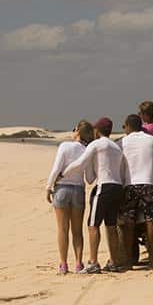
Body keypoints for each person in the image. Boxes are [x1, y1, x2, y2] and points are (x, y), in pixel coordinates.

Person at [60, 117, 127, 274]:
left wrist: (62, 174)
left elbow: (80, 164)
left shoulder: (97, 144)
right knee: (111, 226)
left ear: (97, 130)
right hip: (117, 187)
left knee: (93, 225)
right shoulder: (117, 148)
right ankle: (113, 261)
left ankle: (93, 262)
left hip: (103, 186)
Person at [119, 114, 153, 269]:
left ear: (128, 126)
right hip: (148, 183)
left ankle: (128, 261)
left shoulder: (122, 142)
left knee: (129, 223)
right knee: (150, 221)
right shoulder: (152, 140)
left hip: (129, 185)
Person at [46, 120, 95, 274]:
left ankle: (63, 264)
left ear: (78, 132)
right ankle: (79, 263)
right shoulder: (87, 150)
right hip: (78, 190)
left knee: (62, 229)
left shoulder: (65, 146)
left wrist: (48, 186)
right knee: (77, 230)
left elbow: (56, 168)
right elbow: (89, 178)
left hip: (62, 189)